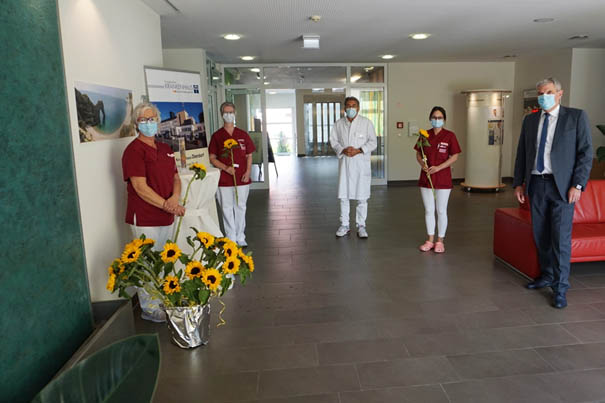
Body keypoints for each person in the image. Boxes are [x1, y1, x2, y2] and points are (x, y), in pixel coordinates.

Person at [513, 77, 593, 309]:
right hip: (537, 184)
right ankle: (546, 275)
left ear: (559, 94)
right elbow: (523, 153)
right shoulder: (530, 120)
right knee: (541, 235)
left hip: (563, 188)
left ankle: (560, 287)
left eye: (548, 92)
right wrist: (519, 182)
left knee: (560, 238)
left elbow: (585, 153)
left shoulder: (576, 117)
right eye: (540, 92)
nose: (543, 96)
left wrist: (577, 185)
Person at [122, 102, 186, 322]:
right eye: (144, 120)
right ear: (136, 124)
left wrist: (175, 199)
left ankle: (162, 299)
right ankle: (150, 308)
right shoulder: (133, 151)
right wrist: (168, 205)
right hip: (146, 217)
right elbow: (140, 187)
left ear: (158, 121)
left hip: (167, 215)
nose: (149, 123)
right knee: (148, 263)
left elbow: (176, 178)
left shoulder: (166, 148)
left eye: (152, 119)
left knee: (163, 259)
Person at [329, 96, 377, 238]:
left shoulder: (366, 123)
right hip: (346, 164)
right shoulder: (338, 124)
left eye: (354, 105)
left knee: (362, 198)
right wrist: (343, 150)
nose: (351, 108)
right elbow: (334, 141)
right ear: (344, 108)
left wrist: (359, 150)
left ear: (358, 108)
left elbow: (373, 142)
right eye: (348, 106)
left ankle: (361, 225)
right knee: (344, 196)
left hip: (360, 165)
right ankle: (345, 225)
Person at [415, 106, 462, 253]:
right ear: (430, 119)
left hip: (442, 177)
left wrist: (439, 168)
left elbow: (454, 156)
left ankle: (440, 241)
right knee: (429, 210)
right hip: (426, 177)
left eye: (439, 117)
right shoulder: (424, 135)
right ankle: (430, 240)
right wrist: (422, 164)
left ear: (444, 120)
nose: (436, 120)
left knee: (441, 210)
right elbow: (418, 153)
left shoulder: (450, 136)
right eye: (434, 117)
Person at [209, 102, 255, 247]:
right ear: (221, 114)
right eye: (226, 112)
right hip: (224, 178)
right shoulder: (217, 136)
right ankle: (231, 237)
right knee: (226, 207)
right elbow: (212, 158)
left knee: (241, 206)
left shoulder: (242, 135)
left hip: (242, 177)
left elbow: (249, 155)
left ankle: (240, 236)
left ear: (235, 114)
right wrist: (225, 168)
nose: (229, 115)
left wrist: (247, 172)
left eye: (231, 112)